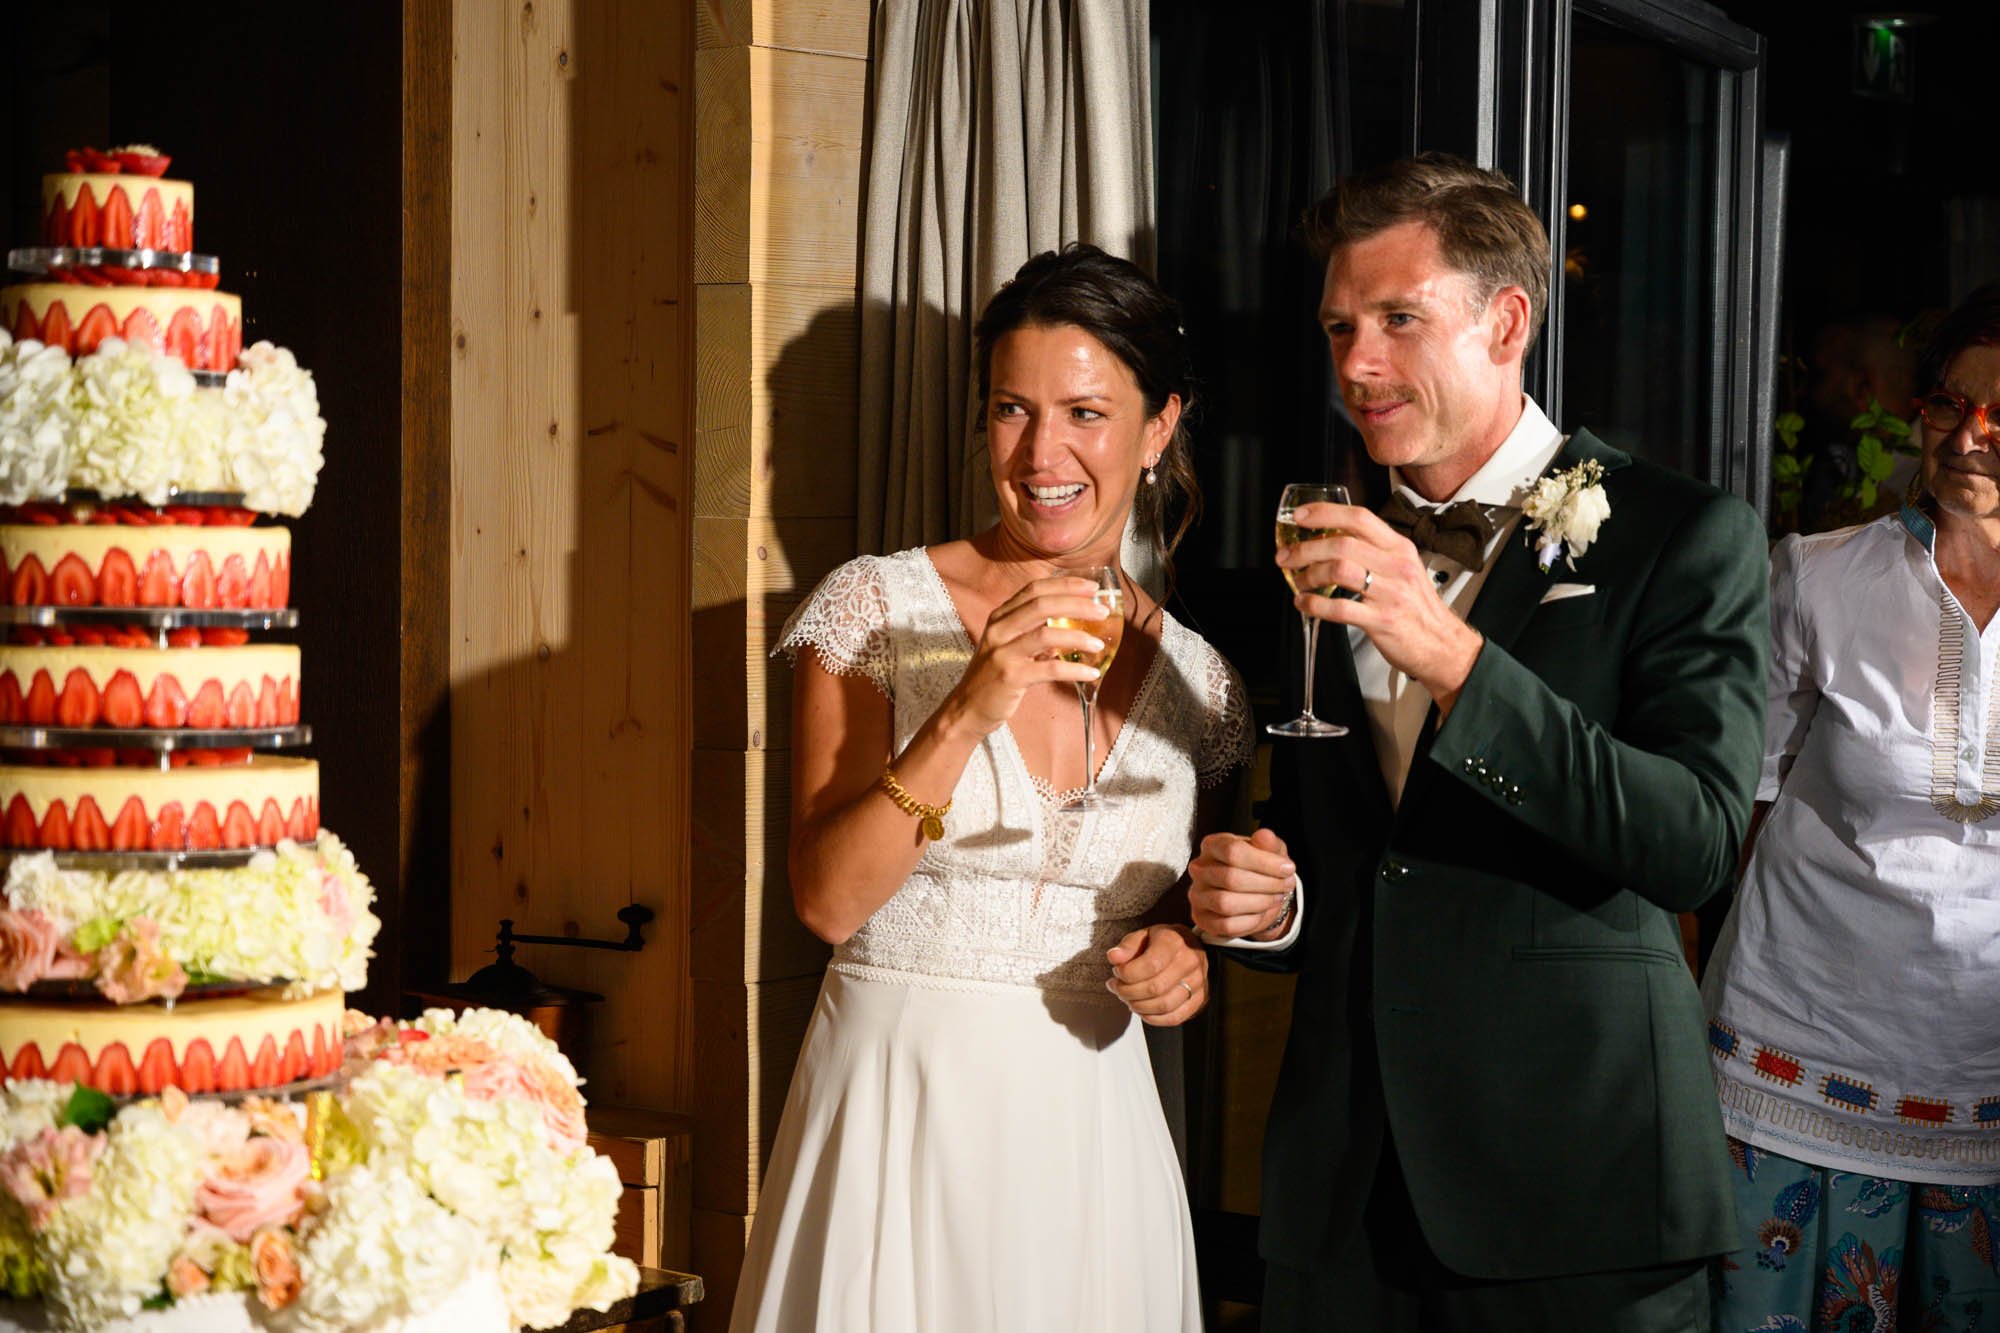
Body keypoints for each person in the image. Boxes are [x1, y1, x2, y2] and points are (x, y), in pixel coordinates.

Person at [1187, 153, 1769, 1330]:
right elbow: (1345, 855)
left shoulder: (1679, 532)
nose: (1355, 362)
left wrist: (1451, 656)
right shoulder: (1331, 539)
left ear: (1505, 321)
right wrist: (1271, 905)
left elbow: (1692, 842)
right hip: (1342, 1197)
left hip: (1577, 1192)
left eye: (1399, 319)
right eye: (1340, 325)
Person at [729, 243, 1254, 1333]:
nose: (1041, 452)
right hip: (900, 1107)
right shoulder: (873, 604)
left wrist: (1183, 956)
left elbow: (1171, 911)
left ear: (1158, 428)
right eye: (1012, 410)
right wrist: (968, 705)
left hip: (1092, 1127)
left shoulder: (1200, 679)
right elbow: (825, 902)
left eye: (1084, 412)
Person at [1701, 284, 2000, 1330]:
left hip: (1981, 1082)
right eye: (1947, 405)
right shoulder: (1819, 578)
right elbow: (1731, 801)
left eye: (1998, 414)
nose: (1967, 435)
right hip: (1793, 1063)